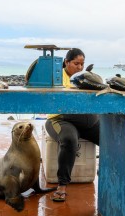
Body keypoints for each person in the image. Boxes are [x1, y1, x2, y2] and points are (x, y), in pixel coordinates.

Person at [45, 48, 100, 202]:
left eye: (82, 64)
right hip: (59, 119)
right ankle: (62, 186)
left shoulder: (83, 77)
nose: (80, 67)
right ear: (66, 62)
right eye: (76, 63)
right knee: (69, 140)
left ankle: (111, 173)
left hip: (85, 121)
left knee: (109, 138)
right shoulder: (57, 77)